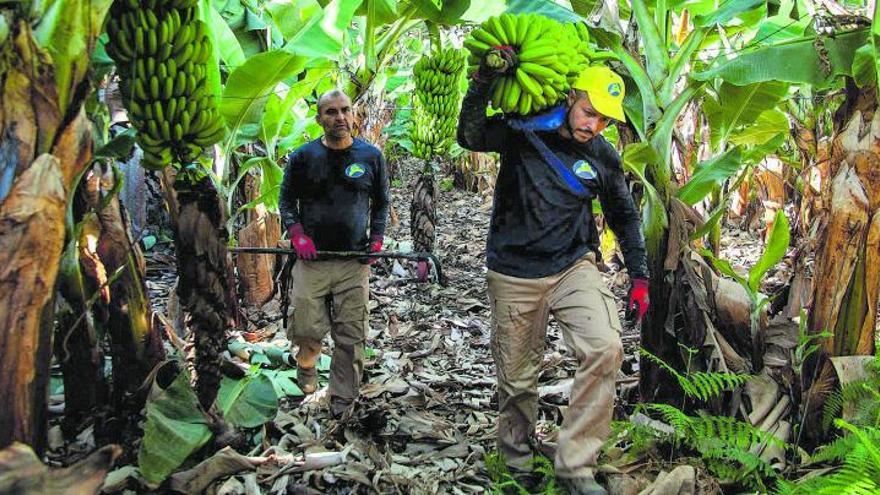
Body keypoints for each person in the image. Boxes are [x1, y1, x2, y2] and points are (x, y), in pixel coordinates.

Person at [457, 50, 650, 495]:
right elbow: (469, 136)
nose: (594, 126)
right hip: (513, 272)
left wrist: (639, 276)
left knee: (605, 347)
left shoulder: (602, 155)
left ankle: (575, 467)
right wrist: (484, 79)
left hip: (571, 267)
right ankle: (516, 461)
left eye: (604, 120)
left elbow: (623, 216)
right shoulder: (522, 131)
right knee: (518, 380)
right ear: (569, 97)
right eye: (589, 112)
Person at [279, 89, 390, 418]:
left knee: (351, 335)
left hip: (353, 264)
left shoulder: (370, 156)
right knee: (307, 328)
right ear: (319, 119)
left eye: (345, 110)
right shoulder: (303, 157)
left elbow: (381, 202)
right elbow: (286, 201)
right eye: (331, 112)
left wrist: (377, 239)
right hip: (312, 262)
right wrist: (297, 234)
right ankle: (308, 367)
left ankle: (343, 401)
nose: (339, 117)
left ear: (353, 115)